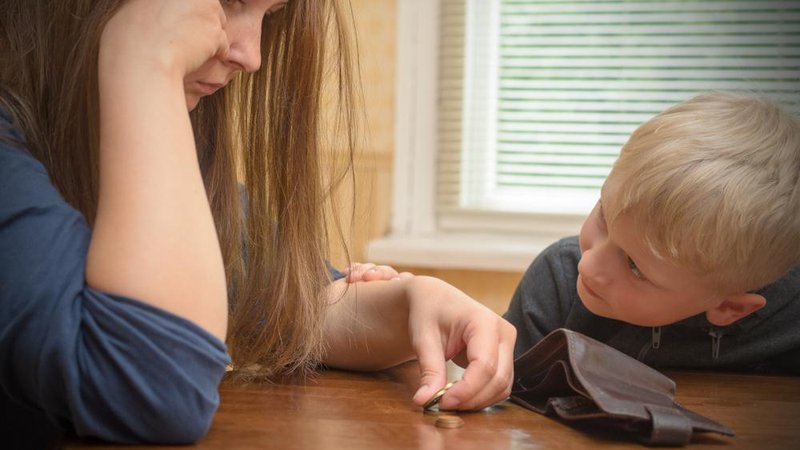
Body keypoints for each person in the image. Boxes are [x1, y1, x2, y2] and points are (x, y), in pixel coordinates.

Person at [0, 0, 515, 447]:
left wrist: (412, 303)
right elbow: (158, 389)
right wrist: (141, 56)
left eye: (271, 15)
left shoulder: (181, 160)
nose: (251, 55)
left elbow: (291, 305)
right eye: (229, 1)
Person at [505, 92, 800, 374]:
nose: (588, 266)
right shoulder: (557, 282)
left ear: (729, 306)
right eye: (603, 216)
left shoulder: (790, 323)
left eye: (634, 267)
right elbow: (508, 402)